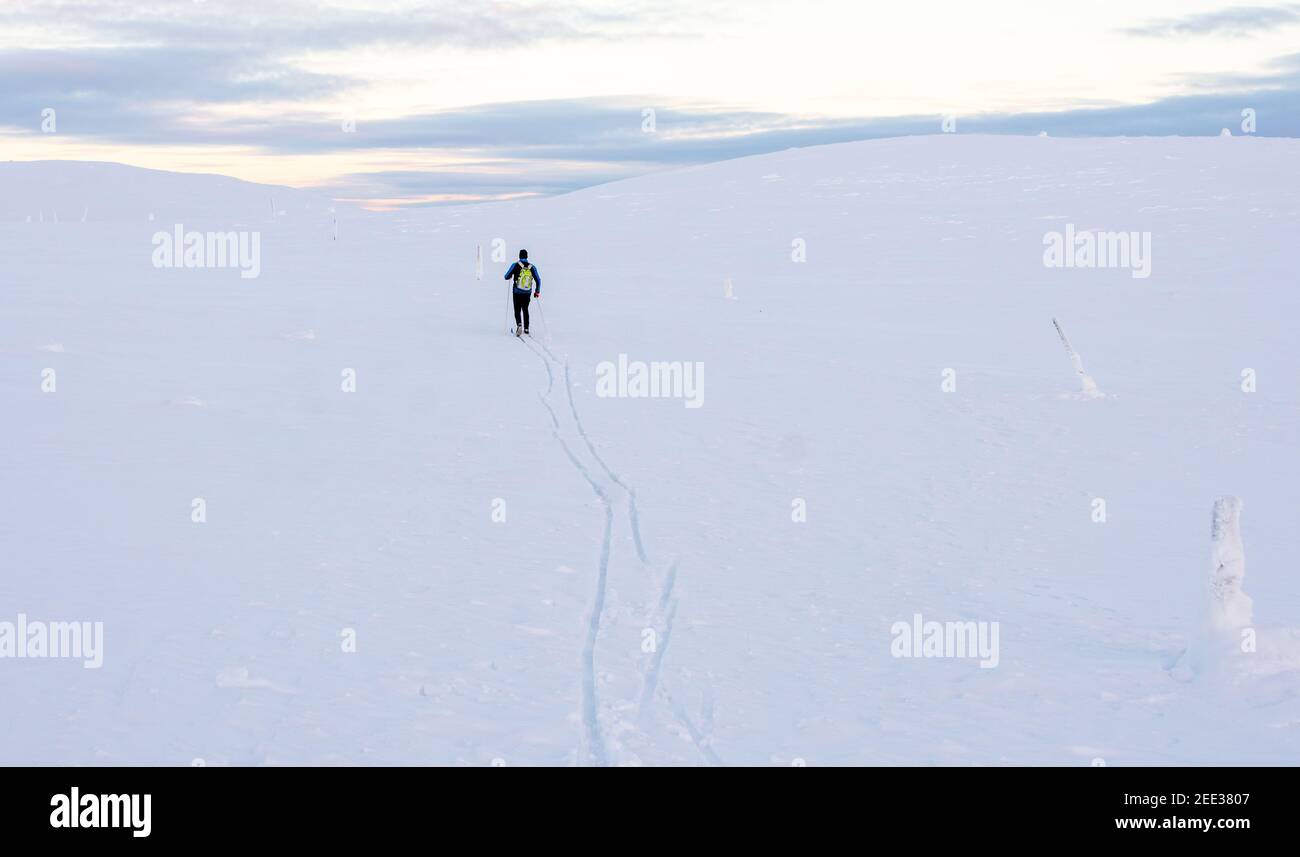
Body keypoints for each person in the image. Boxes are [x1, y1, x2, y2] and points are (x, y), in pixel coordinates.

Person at [504, 249, 541, 336]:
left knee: (517, 309)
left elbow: (506, 276)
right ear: (527, 256)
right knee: (525, 309)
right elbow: (538, 280)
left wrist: (511, 275)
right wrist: (537, 292)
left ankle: (519, 325)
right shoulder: (532, 267)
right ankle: (527, 328)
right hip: (527, 292)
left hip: (517, 292)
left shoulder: (515, 265)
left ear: (519, 256)